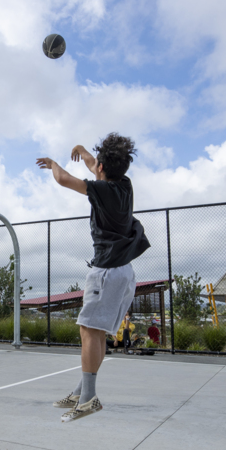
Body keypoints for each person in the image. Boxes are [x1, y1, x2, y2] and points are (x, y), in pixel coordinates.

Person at [37, 133, 150, 422]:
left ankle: (88, 399)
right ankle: (81, 390)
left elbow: (64, 180)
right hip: (124, 272)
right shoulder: (125, 185)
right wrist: (83, 150)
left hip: (107, 272)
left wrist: (53, 164)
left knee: (87, 329)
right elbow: (92, 166)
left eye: (97, 164)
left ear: (102, 169)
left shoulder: (102, 190)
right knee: (95, 332)